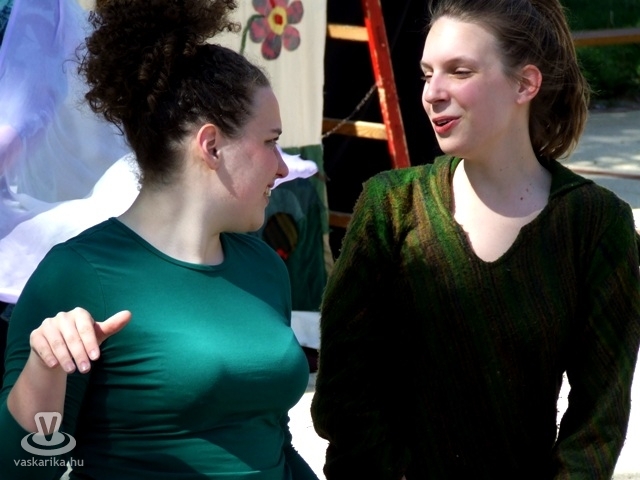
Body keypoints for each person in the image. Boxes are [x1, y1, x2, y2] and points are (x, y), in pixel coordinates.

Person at [310, 0, 640, 478]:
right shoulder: (390, 207)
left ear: (525, 84)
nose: (432, 93)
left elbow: (599, 422)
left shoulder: (594, 224)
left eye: (459, 71)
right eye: (426, 74)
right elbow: (343, 394)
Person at [0, 0, 320, 478]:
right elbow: (21, 467)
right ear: (211, 145)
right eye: (270, 141)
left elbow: (272, 438)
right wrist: (44, 369)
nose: (280, 167)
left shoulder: (264, 267)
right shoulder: (76, 274)